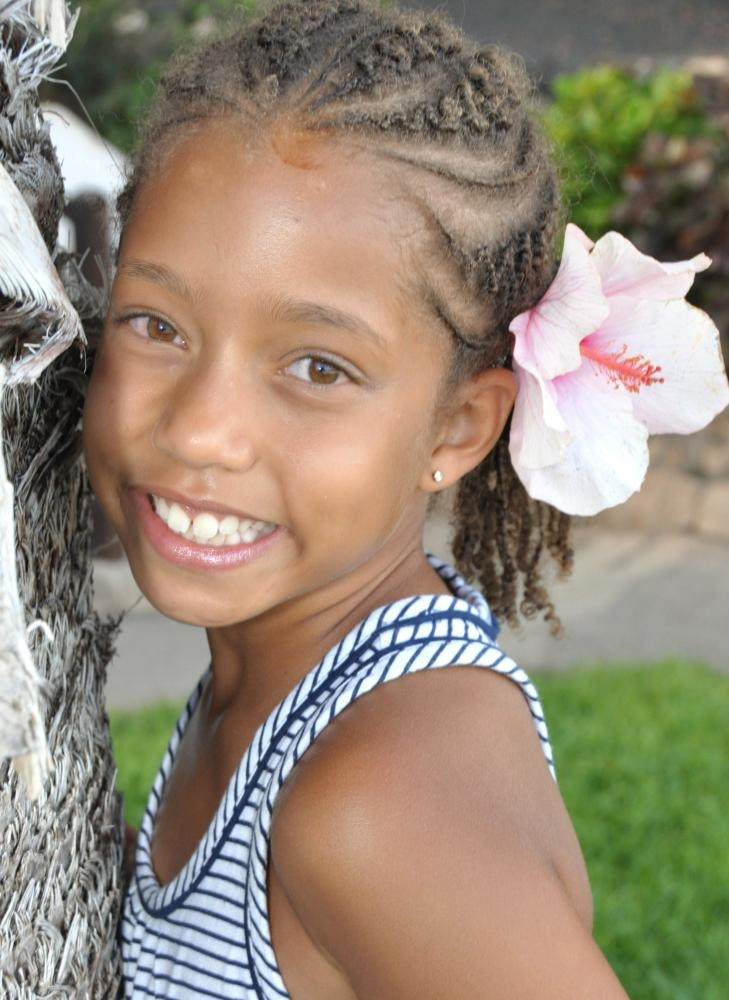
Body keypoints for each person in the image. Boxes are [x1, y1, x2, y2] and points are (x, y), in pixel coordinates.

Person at [82, 1, 728, 997]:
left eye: (317, 366)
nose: (201, 430)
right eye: (156, 323)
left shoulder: (377, 807)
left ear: (456, 429)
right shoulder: (281, 683)